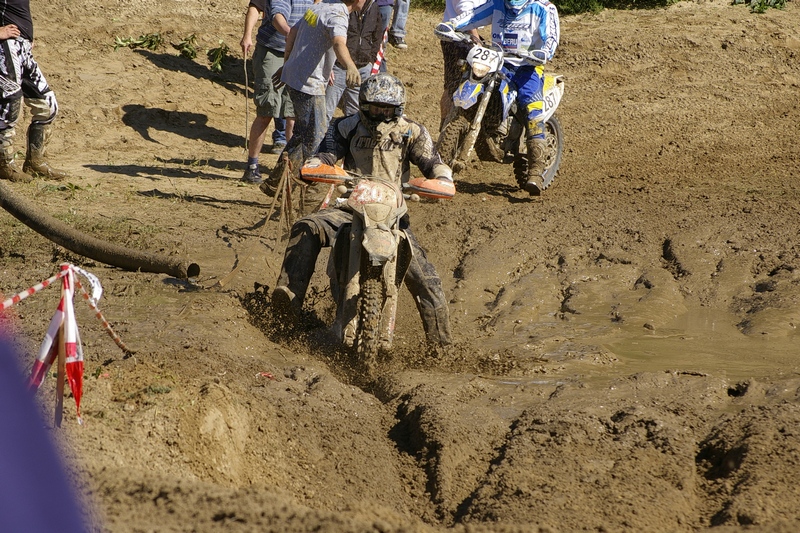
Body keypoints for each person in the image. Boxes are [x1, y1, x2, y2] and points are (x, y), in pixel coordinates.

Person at [271, 73, 454, 345]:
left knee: (427, 279)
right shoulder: (345, 126)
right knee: (306, 227)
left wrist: (443, 178)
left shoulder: (412, 131)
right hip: (349, 208)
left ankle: (441, 347)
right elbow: (326, 154)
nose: (381, 114)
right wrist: (316, 165)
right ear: (364, 104)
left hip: (393, 215)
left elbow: (432, 162)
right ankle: (288, 302)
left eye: (388, 109)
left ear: (399, 108)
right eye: (376, 108)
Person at [438, 0, 560, 195]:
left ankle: (536, 171)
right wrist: (452, 25)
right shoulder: (498, 4)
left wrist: (545, 52)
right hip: (499, 62)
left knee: (532, 111)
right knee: (472, 84)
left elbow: (551, 38)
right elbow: (472, 16)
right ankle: (440, 168)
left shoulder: (544, 8)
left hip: (528, 67)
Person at [260, 0, 363, 195]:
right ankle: (298, 182)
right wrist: (350, 65)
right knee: (316, 135)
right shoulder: (338, 14)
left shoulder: (317, 7)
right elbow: (338, 42)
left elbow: (292, 33)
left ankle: (277, 182)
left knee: (303, 133)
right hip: (309, 84)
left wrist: (288, 64)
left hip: (297, 78)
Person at [240, 0, 312, 184]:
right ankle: (252, 166)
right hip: (273, 51)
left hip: (298, 53)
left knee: (293, 113)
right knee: (267, 110)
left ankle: (290, 169)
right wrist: (290, 33)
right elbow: (277, 16)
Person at [0, 1, 67, 183]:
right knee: (10, 105)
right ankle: (4, 164)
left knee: (47, 105)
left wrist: (27, 36)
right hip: (6, 47)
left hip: (22, 48)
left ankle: (35, 162)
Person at [324, 0, 384, 124]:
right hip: (338, 67)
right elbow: (331, 37)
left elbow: (377, 36)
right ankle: (319, 136)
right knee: (325, 111)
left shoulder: (374, 7)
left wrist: (370, 60)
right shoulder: (341, 6)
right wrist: (328, 64)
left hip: (362, 68)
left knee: (355, 114)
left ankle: (350, 136)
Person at [439, 0, 482, 128]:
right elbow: (465, 9)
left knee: (453, 85)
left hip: (462, 35)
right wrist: (478, 41)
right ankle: (446, 128)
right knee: (453, 87)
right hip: (459, 37)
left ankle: (447, 127)